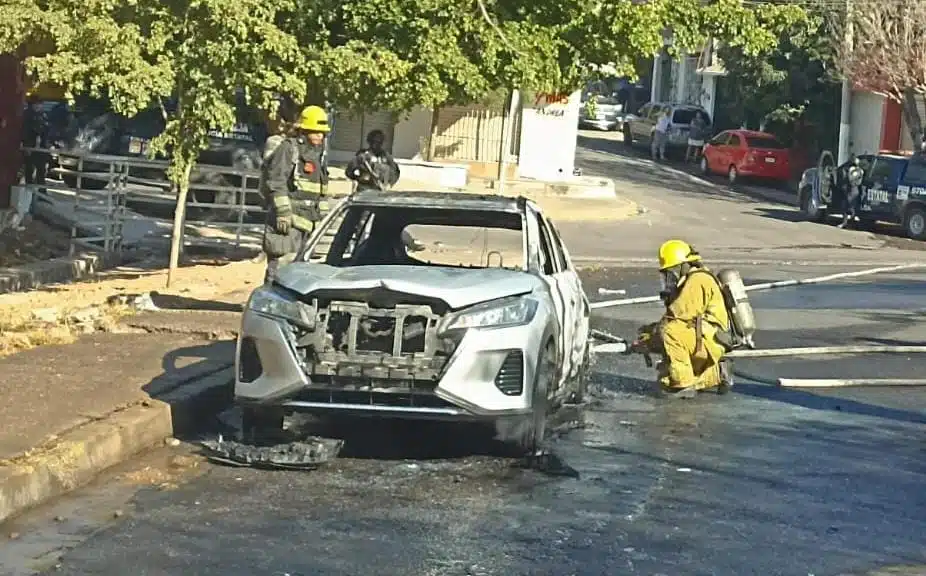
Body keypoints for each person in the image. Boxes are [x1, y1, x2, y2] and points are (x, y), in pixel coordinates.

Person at [636, 240, 733, 399]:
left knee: (669, 331)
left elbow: (676, 317)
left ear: (681, 266)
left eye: (670, 272)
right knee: (665, 379)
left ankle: (684, 384)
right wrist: (647, 334)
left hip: (711, 339)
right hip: (700, 337)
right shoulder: (688, 281)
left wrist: (650, 338)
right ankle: (716, 373)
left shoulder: (697, 280)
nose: (669, 278)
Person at [260, 104, 330, 282]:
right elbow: (276, 181)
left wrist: (323, 215)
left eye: (322, 132)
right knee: (281, 267)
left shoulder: (318, 155)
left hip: (308, 223)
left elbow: (320, 189)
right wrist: (283, 212)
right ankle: (270, 303)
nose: (319, 136)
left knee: (299, 271)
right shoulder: (289, 149)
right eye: (315, 132)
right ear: (303, 131)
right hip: (288, 223)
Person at [22, 95, 50, 188]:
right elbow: (25, 131)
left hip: (41, 147)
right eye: (35, 104)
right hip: (30, 146)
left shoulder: (43, 115)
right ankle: (29, 190)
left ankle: (41, 191)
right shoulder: (27, 115)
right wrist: (26, 145)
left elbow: (46, 129)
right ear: (31, 105)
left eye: (40, 104)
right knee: (29, 169)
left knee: (41, 169)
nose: (38, 106)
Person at [837, 154, 863, 229]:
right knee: (851, 207)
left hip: (852, 190)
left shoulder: (853, 170)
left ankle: (846, 223)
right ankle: (850, 222)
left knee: (847, 207)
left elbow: (850, 179)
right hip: (855, 190)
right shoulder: (860, 171)